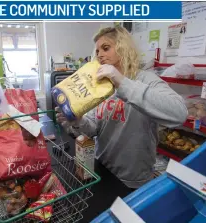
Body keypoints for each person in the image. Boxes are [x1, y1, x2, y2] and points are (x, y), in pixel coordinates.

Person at [56, 26, 188, 189]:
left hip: (134, 179)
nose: (100, 55)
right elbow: (92, 129)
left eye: (106, 48)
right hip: (102, 170)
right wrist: (78, 120)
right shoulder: (98, 86)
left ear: (123, 47)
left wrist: (121, 82)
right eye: (97, 51)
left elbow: (179, 113)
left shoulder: (146, 79)